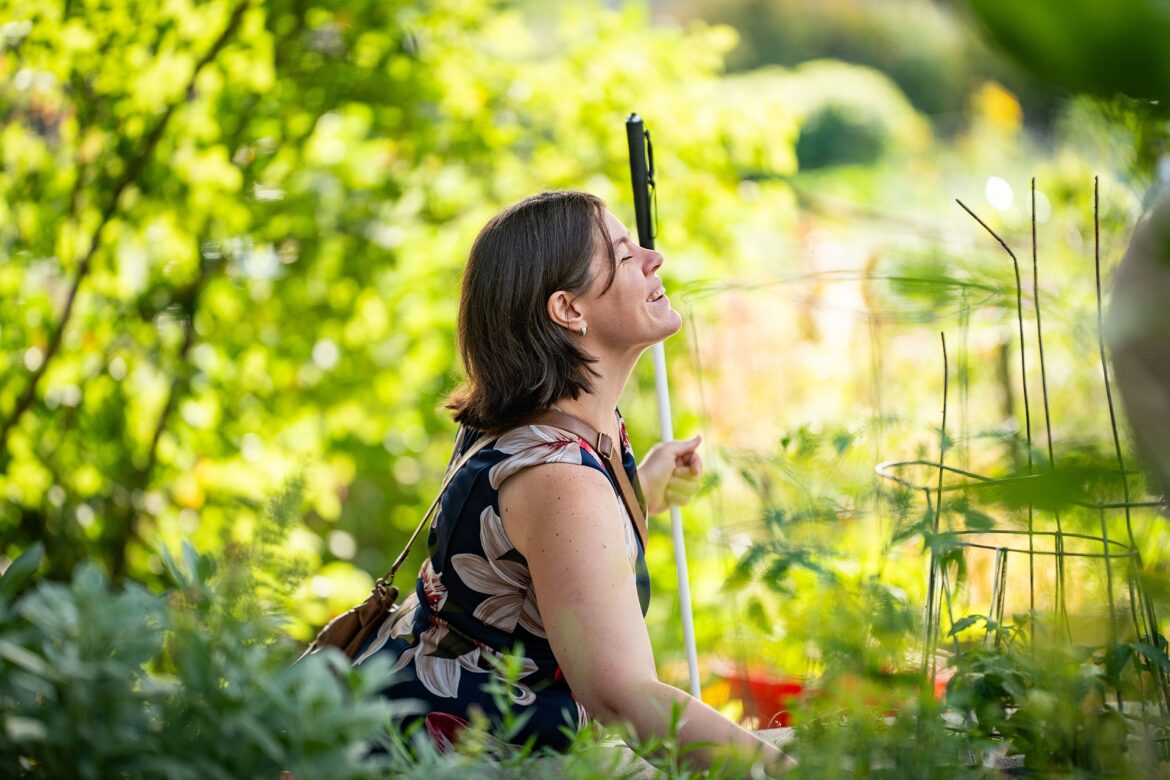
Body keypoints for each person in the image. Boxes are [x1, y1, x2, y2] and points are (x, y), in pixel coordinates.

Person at [355, 190, 792, 772]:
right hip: (474, 755)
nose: (653, 257)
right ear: (568, 309)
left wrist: (643, 491)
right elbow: (622, 697)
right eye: (623, 253)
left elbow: (533, 552)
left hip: (409, 709)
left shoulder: (537, 422)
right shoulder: (560, 477)